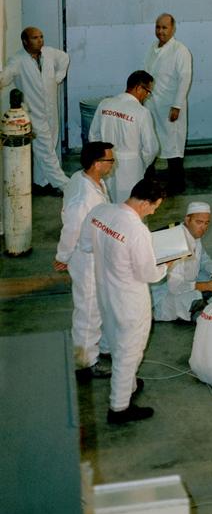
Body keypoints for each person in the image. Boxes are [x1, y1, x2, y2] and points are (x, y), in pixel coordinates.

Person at [76, 175, 168, 425]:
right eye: (155, 207)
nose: (153, 212)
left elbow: (85, 245)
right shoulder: (137, 230)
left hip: (106, 292)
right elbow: (148, 273)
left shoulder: (101, 211)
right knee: (129, 353)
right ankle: (118, 408)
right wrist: (166, 264)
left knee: (117, 340)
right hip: (130, 301)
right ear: (148, 203)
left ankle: (128, 384)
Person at [54, 140, 117, 379]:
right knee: (88, 309)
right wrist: (63, 257)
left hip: (98, 254)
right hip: (85, 258)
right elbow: (71, 230)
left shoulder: (89, 180)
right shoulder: (82, 197)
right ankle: (85, 363)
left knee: (99, 304)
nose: (113, 164)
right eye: (110, 160)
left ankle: (99, 347)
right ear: (97, 164)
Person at [1, 26, 71, 194]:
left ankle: (42, 183)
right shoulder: (17, 60)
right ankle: (64, 184)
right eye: (35, 38)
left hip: (51, 111)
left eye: (41, 37)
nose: (40, 40)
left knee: (50, 146)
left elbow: (65, 58)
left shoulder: (49, 53)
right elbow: (4, 78)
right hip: (34, 113)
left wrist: (58, 76)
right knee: (46, 150)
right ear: (25, 41)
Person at [152, 201, 212, 322]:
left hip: (189, 281)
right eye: (199, 222)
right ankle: (203, 304)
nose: (203, 228)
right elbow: (175, 286)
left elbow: (204, 258)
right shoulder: (177, 243)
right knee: (191, 298)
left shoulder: (194, 235)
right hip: (169, 292)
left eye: (206, 223)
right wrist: (206, 286)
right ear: (187, 220)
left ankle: (207, 297)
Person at [89, 72, 159, 203]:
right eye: (148, 91)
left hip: (105, 164)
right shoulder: (141, 112)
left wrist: (101, 158)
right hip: (131, 168)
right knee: (131, 209)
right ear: (139, 88)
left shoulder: (105, 104)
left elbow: (94, 135)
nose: (147, 96)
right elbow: (151, 148)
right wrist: (141, 164)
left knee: (106, 203)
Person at [144, 14, 193, 195]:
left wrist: (177, 105)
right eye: (158, 27)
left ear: (173, 29)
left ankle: (177, 185)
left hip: (170, 106)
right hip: (151, 104)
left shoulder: (180, 50)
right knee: (149, 141)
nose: (160, 31)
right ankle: (148, 180)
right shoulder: (152, 48)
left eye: (164, 28)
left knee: (173, 145)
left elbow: (184, 78)